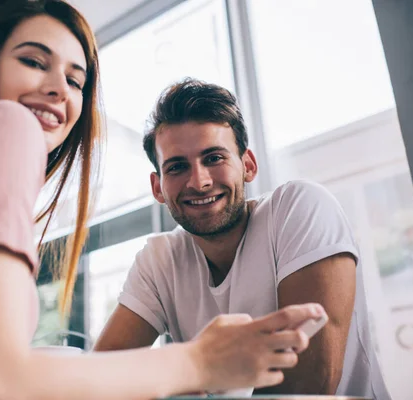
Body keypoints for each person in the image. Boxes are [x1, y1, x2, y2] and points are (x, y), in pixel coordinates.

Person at [0, 1, 325, 399]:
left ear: (250, 165)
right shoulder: (6, 127)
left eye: (75, 80)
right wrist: (200, 361)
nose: (56, 90)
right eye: (32, 61)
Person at [95, 78, 392, 399]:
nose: (199, 181)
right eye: (178, 166)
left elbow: (310, 386)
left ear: (247, 165)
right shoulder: (158, 259)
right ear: (158, 188)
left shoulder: (299, 207)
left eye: (214, 158)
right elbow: (98, 379)